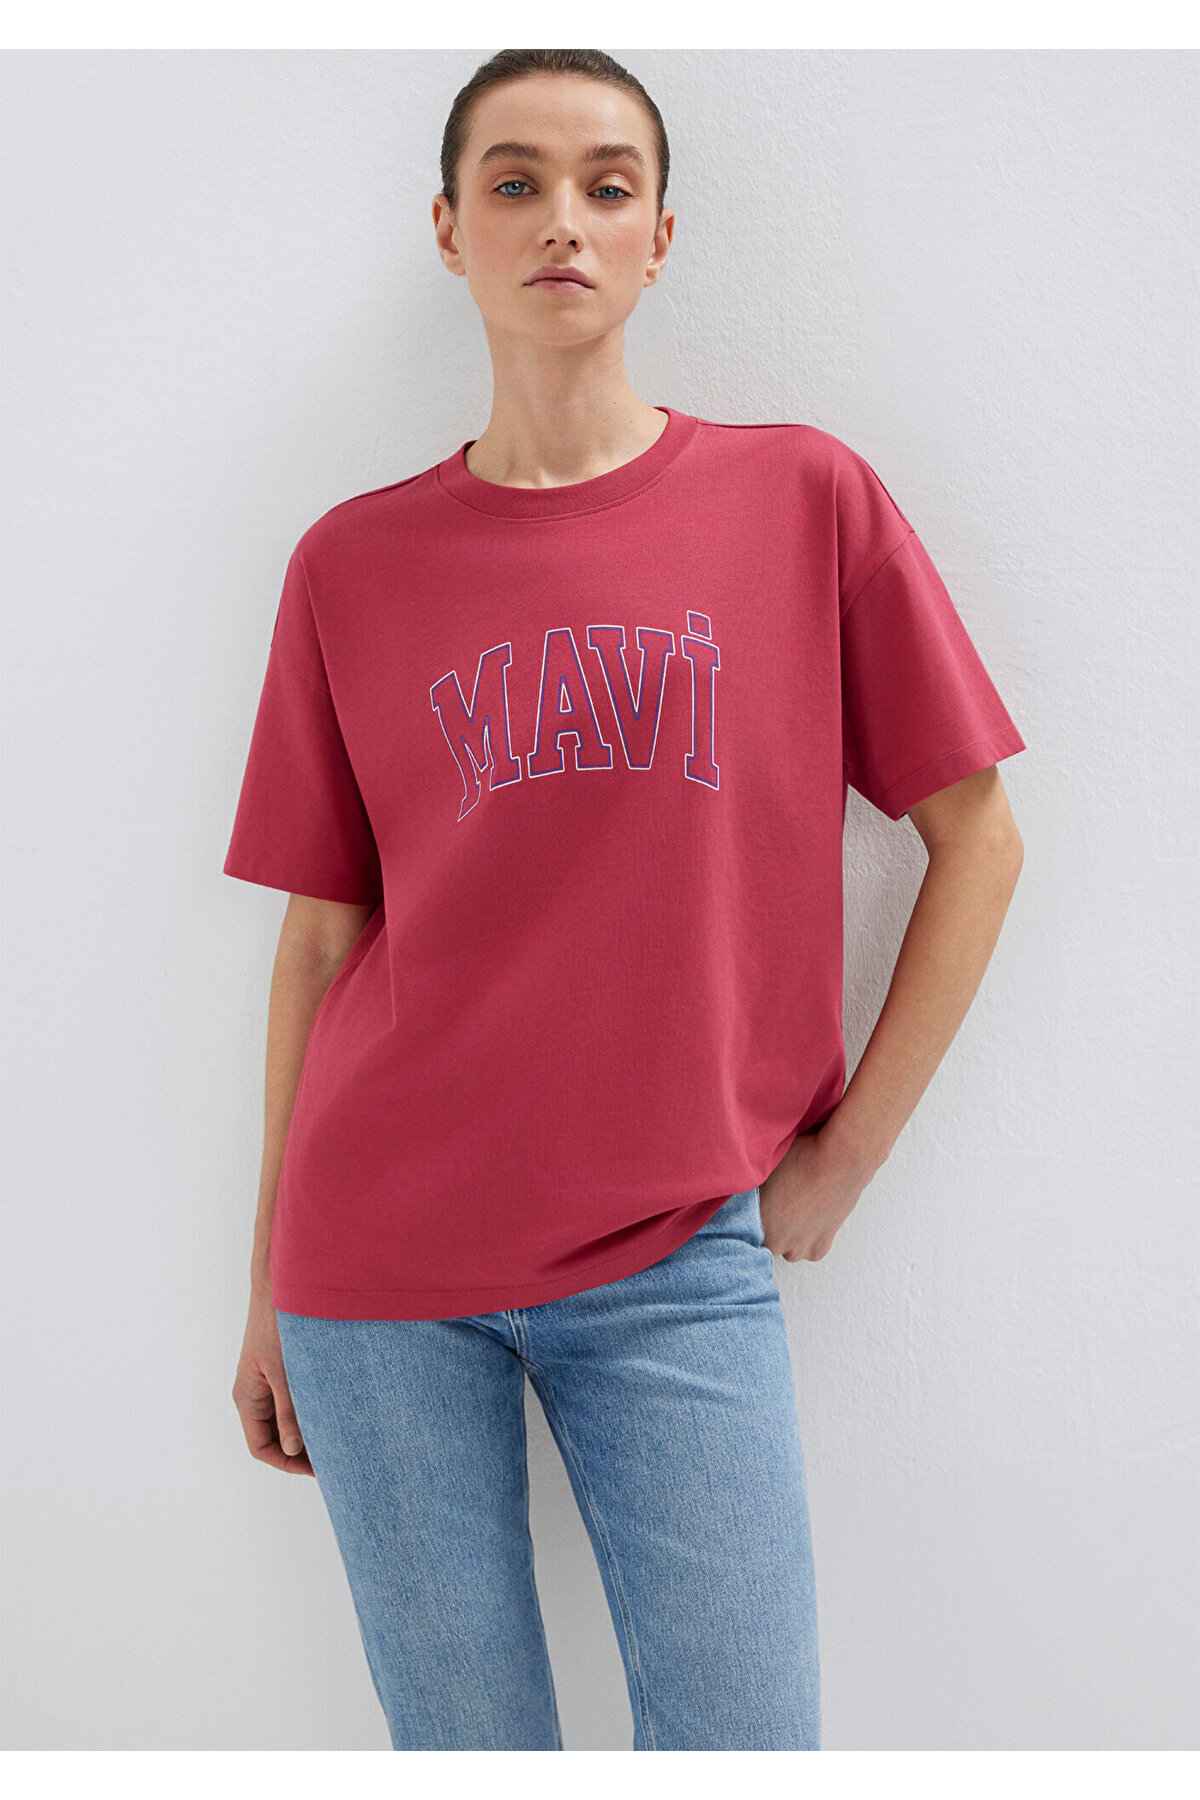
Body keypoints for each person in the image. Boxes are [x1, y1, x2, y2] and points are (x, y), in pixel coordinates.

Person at [225, 48, 1026, 1753]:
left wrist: (846, 1156)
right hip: (375, 1268)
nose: (562, 221)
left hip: (676, 1254)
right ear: (449, 230)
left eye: (607, 185)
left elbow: (980, 840)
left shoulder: (803, 499)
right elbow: (320, 937)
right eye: (514, 183)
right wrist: (265, 1278)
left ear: (661, 236)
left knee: (745, 1748)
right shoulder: (350, 564)